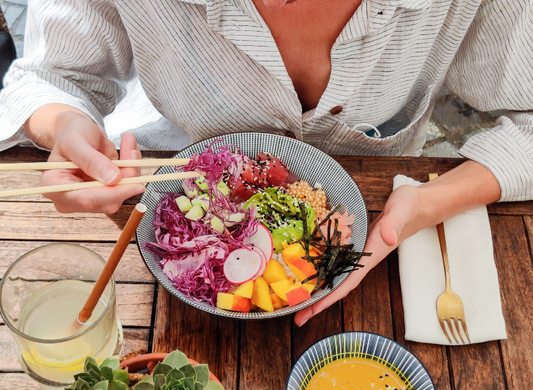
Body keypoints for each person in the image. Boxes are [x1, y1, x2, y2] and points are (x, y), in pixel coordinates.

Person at [0, 0, 532, 326]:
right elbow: (50, 76)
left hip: (377, 253)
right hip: (152, 191)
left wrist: (426, 203)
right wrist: (66, 125)